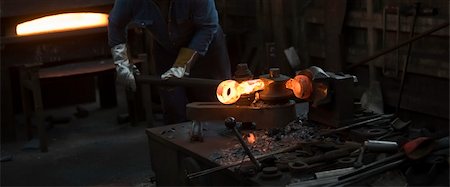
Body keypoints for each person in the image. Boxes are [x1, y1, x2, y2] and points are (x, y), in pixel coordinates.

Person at [108, 0, 231, 125]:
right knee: (173, 108)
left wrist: (182, 64)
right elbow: (116, 24)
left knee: (215, 105)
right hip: (166, 50)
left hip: (207, 49)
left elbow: (207, 27)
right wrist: (122, 62)